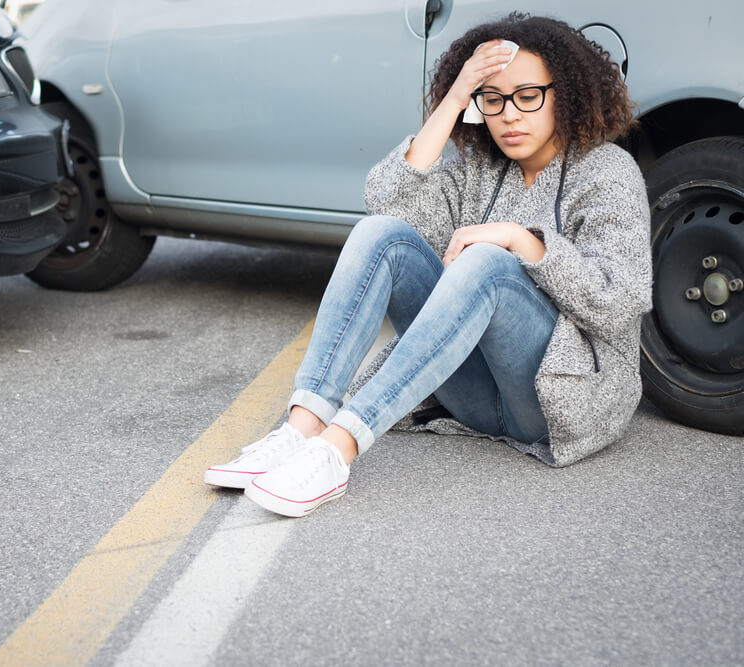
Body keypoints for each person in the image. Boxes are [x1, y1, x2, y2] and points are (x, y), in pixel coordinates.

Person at [205, 13, 652, 517]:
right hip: (476, 397)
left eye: (528, 96)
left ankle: (335, 451)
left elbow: (624, 297)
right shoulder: (484, 172)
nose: (509, 115)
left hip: (558, 401)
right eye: (492, 98)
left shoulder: (609, 172)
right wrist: (454, 99)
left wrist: (522, 241)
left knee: (488, 260)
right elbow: (388, 201)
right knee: (381, 235)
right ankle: (301, 429)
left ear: (564, 95)